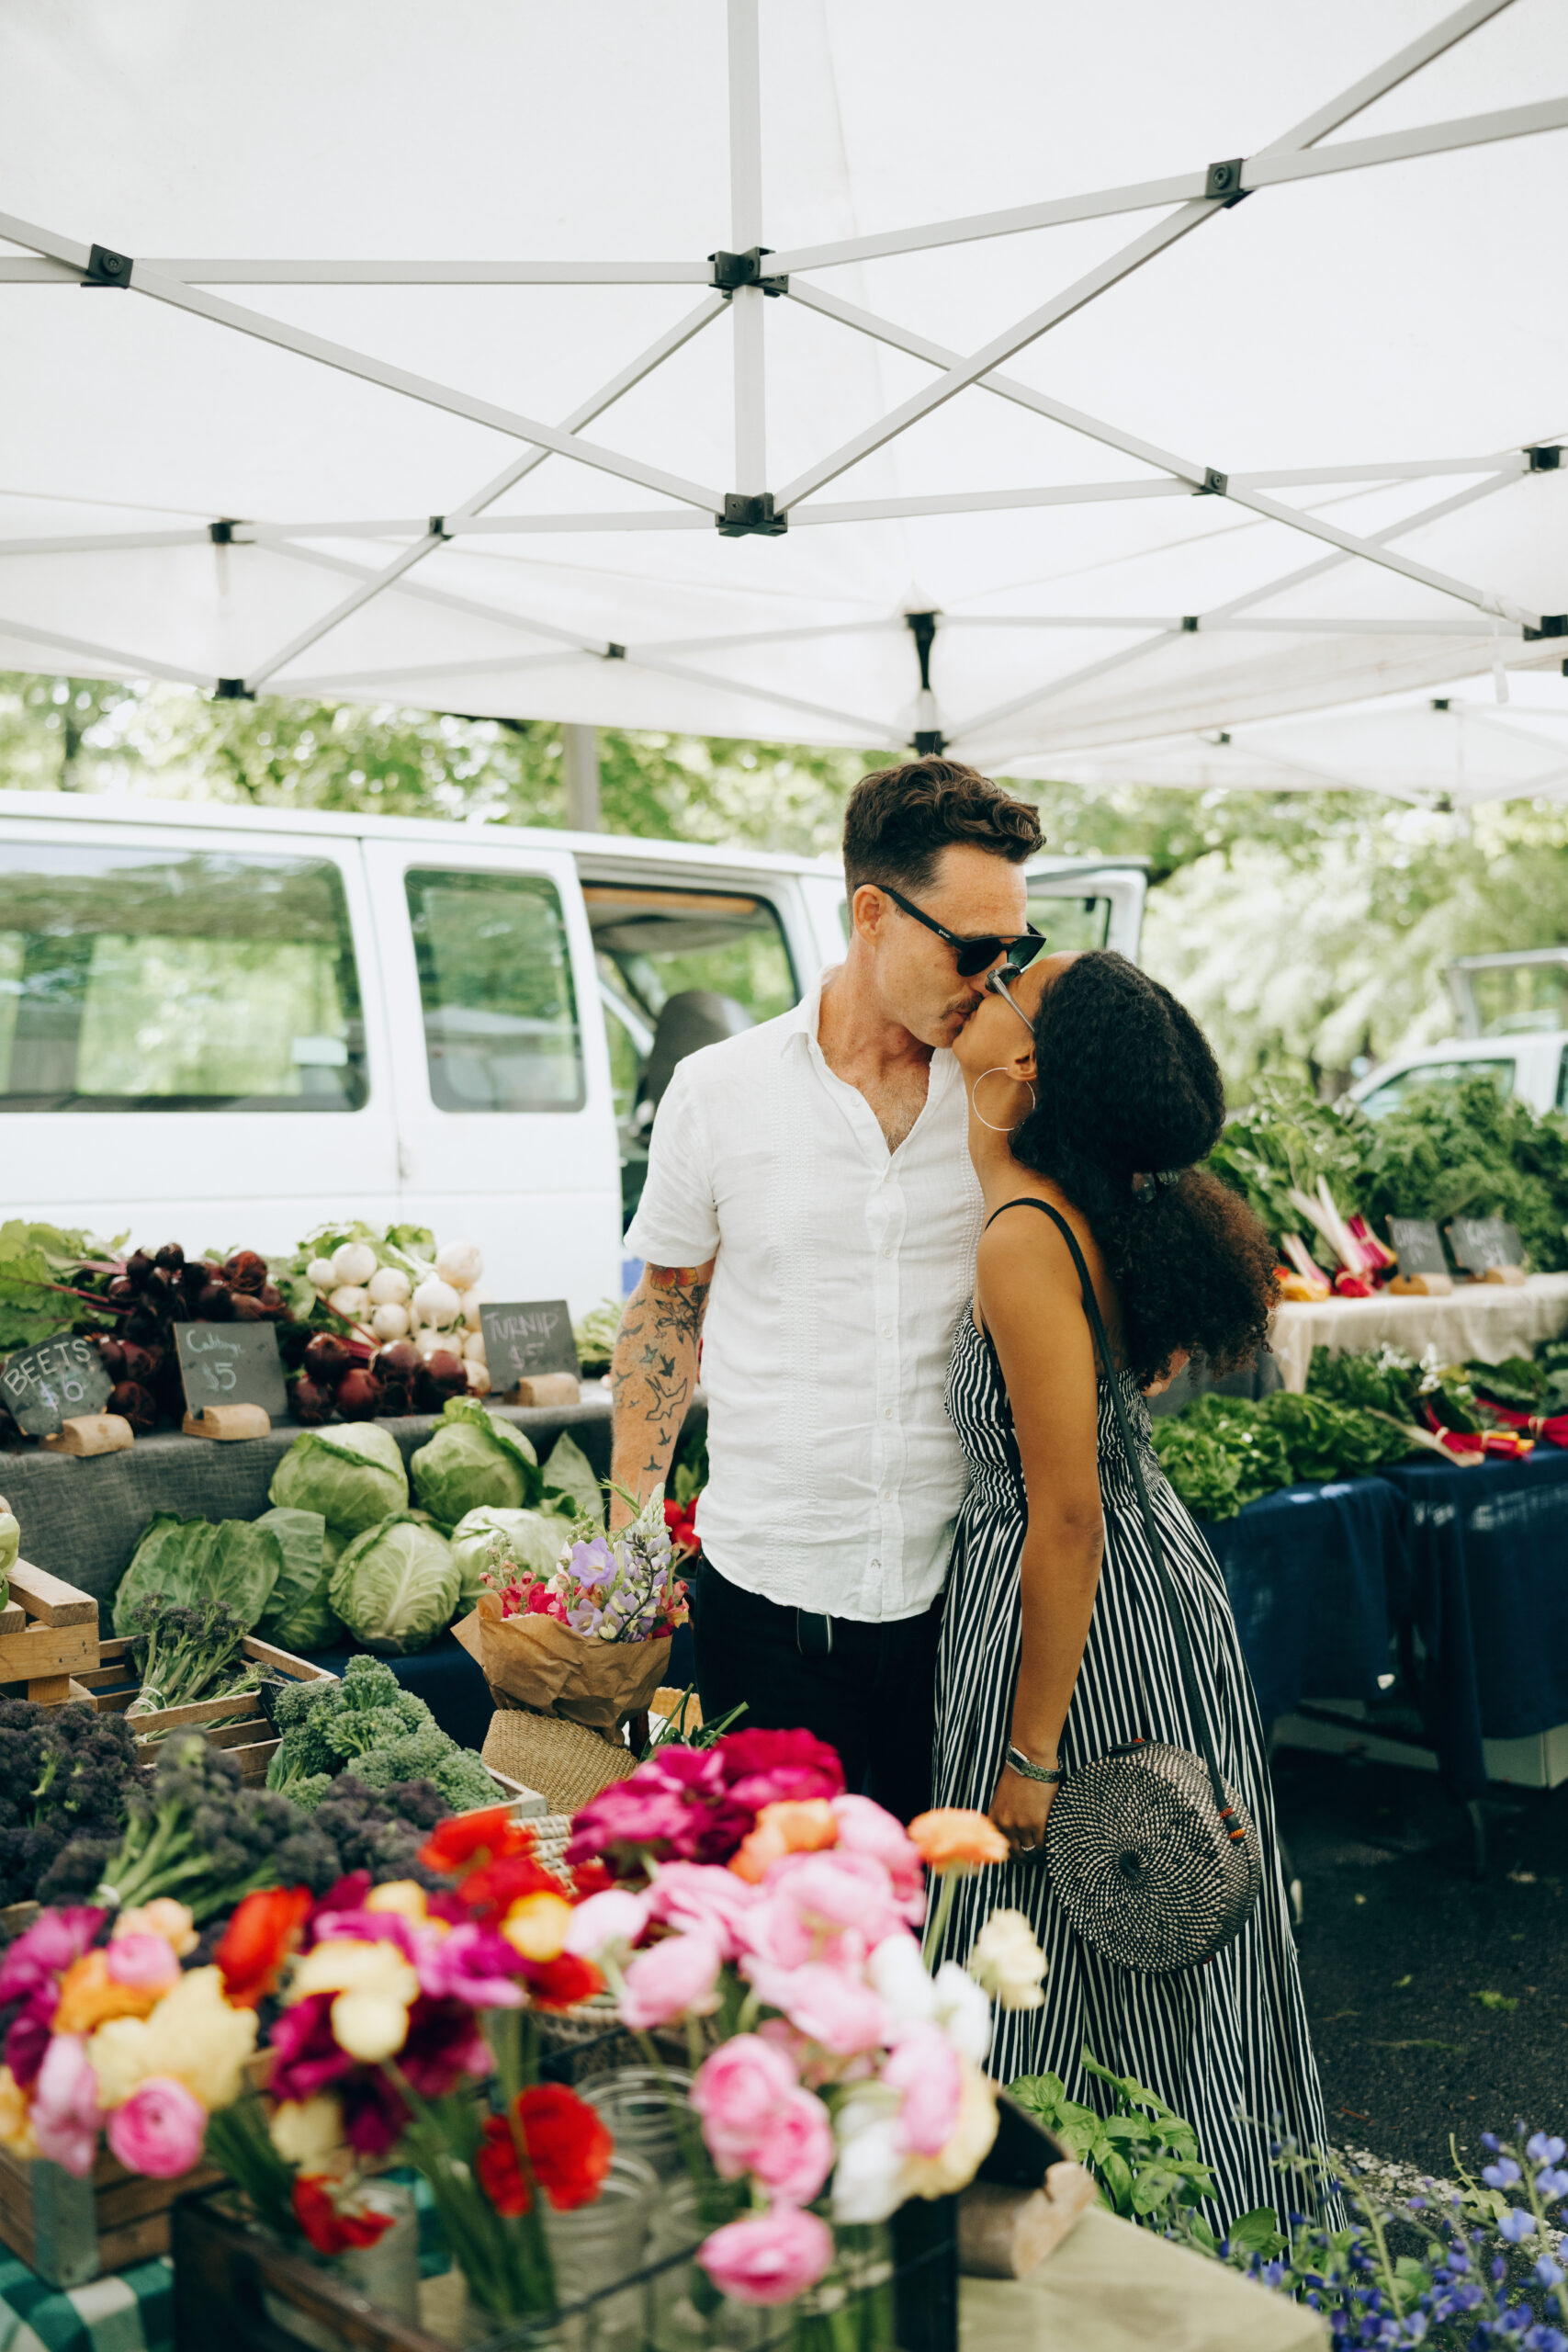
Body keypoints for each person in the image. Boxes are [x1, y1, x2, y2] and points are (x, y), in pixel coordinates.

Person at [932, 946, 1337, 2229]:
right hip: (1143, 1593)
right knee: (1155, 1920)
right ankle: (1212, 2221)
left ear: (1021, 1063)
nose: (980, 981)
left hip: (1082, 1616)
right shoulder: (1077, 1207)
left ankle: (1123, 2239)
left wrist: (1031, 1753)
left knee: (1090, 1918)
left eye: (1007, 982)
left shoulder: (1021, 1235)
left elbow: (1064, 1511)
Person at [607, 755, 1043, 1821]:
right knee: (789, 1947)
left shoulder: (1012, 1093)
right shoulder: (718, 1091)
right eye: (973, 947)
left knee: (949, 1949)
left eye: (1013, 949)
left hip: (968, 1613)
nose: (993, 974)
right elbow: (668, 1305)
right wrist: (626, 1534)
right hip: (768, 1618)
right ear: (872, 914)